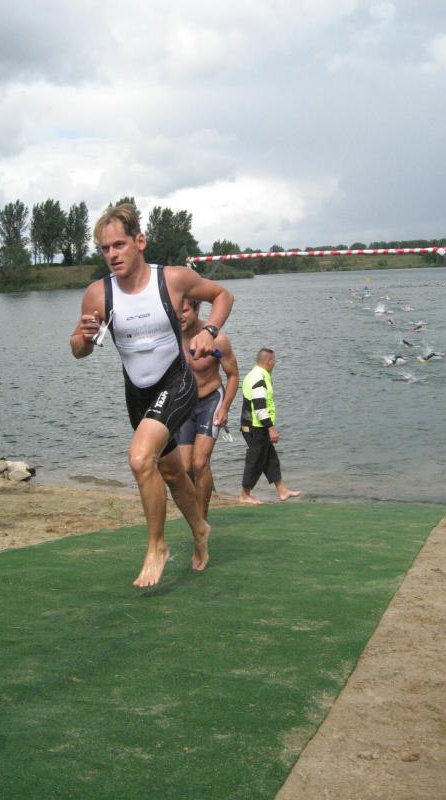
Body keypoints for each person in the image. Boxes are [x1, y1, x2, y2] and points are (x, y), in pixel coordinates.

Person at [70, 203, 234, 588]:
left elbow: (223, 295)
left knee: (140, 458)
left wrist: (209, 330)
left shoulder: (173, 279)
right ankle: (200, 529)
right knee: (172, 471)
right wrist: (85, 338)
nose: (112, 254)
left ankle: (157, 546)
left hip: (176, 383)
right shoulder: (98, 294)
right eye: (105, 249)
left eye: (119, 245)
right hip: (137, 395)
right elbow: (78, 349)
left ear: (139, 242)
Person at [176, 298, 239, 518]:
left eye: (184, 311)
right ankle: (200, 494)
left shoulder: (218, 340)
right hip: (184, 404)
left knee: (200, 462)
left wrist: (225, 408)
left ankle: (201, 520)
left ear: (197, 308)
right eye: (175, 311)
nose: (179, 316)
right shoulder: (171, 338)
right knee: (185, 467)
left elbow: (233, 376)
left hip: (211, 400)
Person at [239, 348, 300, 505]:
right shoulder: (259, 378)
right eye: (274, 360)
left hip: (254, 424)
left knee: (270, 458)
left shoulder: (254, 374)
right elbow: (260, 408)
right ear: (269, 361)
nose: (275, 363)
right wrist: (271, 428)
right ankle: (244, 494)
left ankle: (282, 491)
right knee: (256, 460)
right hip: (255, 426)